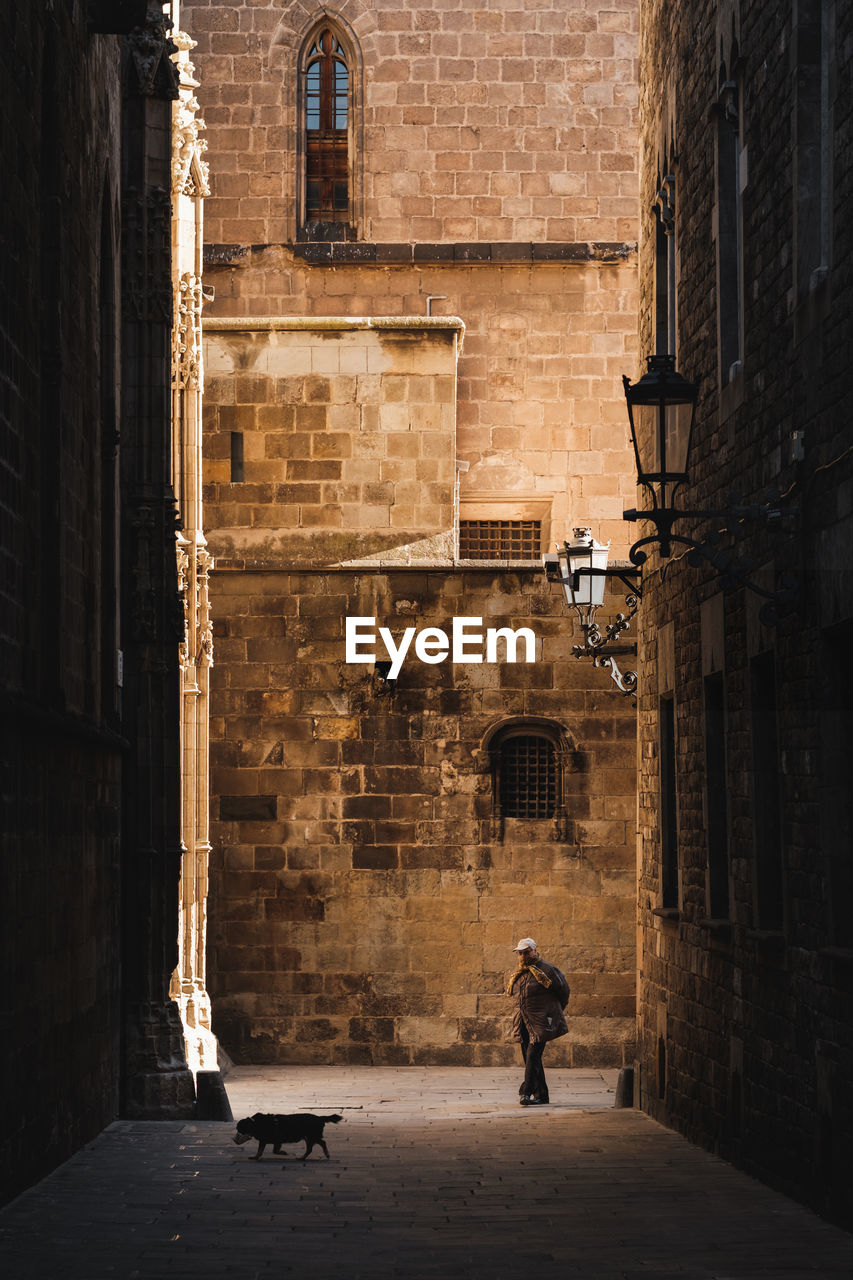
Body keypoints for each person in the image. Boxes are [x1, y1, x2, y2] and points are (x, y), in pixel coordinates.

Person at [506, 937, 570, 1106]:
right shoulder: (521, 972)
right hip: (524, 1022)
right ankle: (542, 1094)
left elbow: (564, 991)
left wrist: (553, 1013)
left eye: (526, 952)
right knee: (531, 1059)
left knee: (533, 1056)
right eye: (520, 953)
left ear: (534, 951)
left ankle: (526, 1093)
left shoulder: (547, 970)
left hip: (541, 1022)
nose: (522, 956)